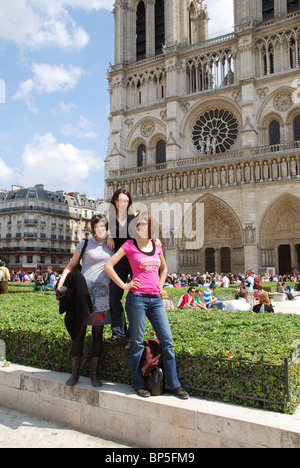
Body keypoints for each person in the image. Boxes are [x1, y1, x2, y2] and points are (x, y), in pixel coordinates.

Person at [105, 212, 189, 400]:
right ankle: (138, 384)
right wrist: (124, 285)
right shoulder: (129, 245)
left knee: (167, 341)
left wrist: (160, 284)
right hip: (137, 299)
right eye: (136, 225)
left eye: (143, 224)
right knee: (136, 342)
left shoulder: (157, 246)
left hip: (155, 300)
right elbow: (109, 266)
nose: (139, 227)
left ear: (149, 226)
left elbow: (164, 268)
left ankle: (173, 384)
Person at [57, 214, 113, 388]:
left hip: (103, 295)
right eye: (97, 226)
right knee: (78, 334)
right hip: (83, 294)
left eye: (103, 226)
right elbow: (71, 265)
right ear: (93, 227)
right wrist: (60, 283)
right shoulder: (85, 243)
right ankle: (75, 374)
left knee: (98, 335)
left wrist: (155, 241)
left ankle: (94, 375)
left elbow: (132, 244)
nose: (100, 228)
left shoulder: (112, 244)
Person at [106, 189, 136, 344]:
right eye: (119, 200)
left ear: (128, 203)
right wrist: (109, 235)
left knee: (135, 297)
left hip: (133, 261)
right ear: (114, 202)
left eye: (125, 201)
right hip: (118, 262)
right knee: (114, 297)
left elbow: (145, 234)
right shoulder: (110, 220)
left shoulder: (134, 219)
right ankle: (118, 331)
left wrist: (155, 241)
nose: (122, 203)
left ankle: (132, 334)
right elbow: (100, 231)